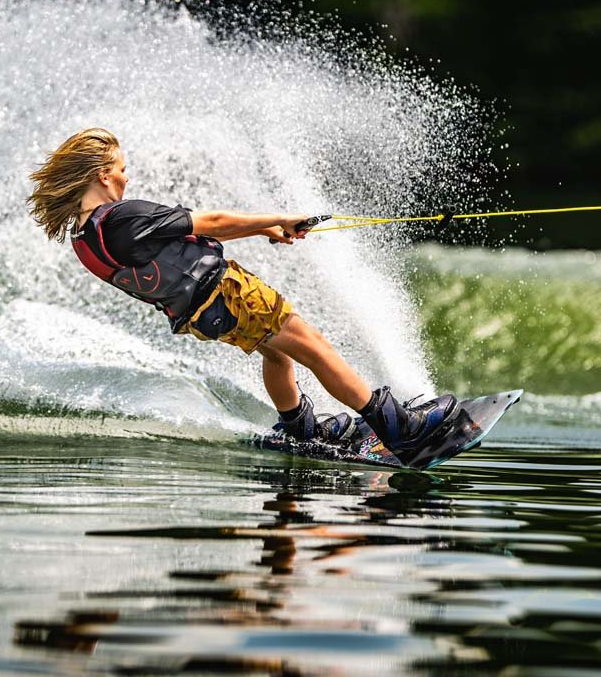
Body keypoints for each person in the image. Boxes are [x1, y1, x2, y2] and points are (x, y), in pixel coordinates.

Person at [26, 127, 457, 460]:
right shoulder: (121, 217)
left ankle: (301, 429)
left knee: (277, 353)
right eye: (121, 168)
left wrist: (264, 229)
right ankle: (400, 427)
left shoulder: (85, 238)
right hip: (228, 292)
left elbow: (169, 251)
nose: (126, 175)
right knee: (315, 346)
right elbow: (211, 222)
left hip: (200, 316)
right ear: (102, 175)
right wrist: (279, 218)